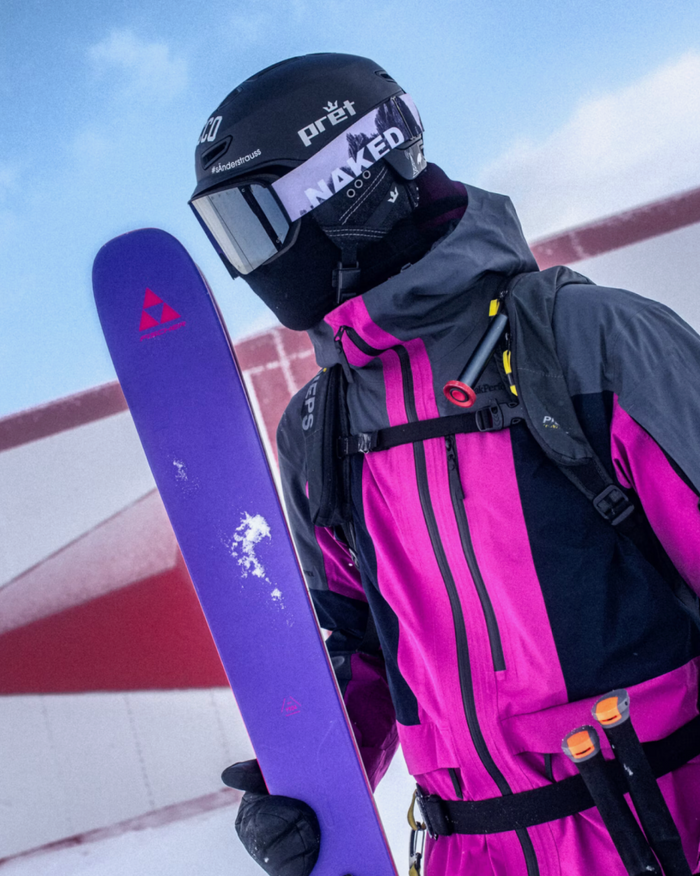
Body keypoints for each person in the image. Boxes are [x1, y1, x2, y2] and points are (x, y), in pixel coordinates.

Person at [190, 53, 700, 876]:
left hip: (663, 833)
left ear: (346, 183)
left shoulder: (592, 342)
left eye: (252, 222)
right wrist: (310, 779)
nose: (249, 262)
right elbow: (360, 643)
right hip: (470, 851)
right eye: (227, 236)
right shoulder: (318, 429)